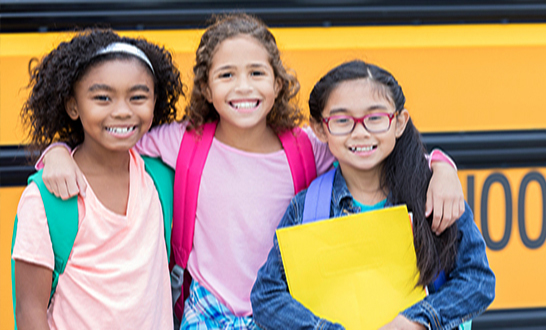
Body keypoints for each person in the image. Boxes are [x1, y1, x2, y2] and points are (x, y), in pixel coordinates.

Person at [37, 14, 465, 329]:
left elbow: (371, 149)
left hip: (289, 309)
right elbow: (112, 136)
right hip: (208, 312)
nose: (243, 87)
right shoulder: (181, 142)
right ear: (206, 87)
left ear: (277, 84)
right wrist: (57, 151)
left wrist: (441, 168)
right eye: (226, 75)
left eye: (257, 73)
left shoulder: (304, 148)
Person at [251, 60, 495, 330]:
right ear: (320, 128)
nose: (360, 132)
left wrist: (416, 321)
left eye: (375, 118)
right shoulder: (306, 208)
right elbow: (267, 296)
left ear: (399, 122)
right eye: (342, 121)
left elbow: (478, 280)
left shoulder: (432, 195)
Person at [12, 29, 183, 329]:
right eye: (102, 97)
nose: (121, 111)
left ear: (155, 102)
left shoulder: (162, 179)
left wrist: (56, 150)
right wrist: (56, 151)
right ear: (73, 105)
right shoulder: (46, 199)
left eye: (138, 97)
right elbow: (29, 311)